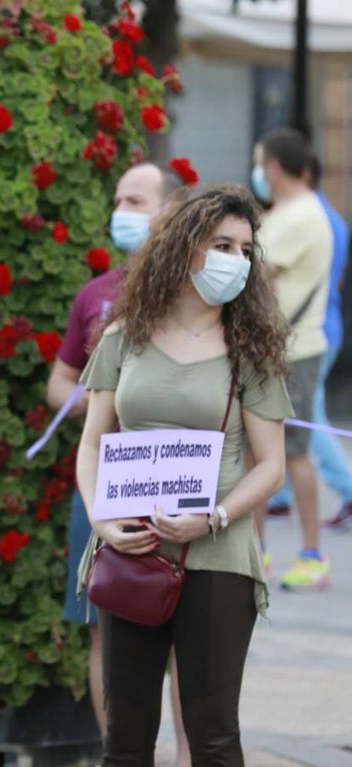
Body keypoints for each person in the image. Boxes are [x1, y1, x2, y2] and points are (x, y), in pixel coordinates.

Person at [76, 185, 292, 765]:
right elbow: (92, 442)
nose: (236, 260)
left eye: (245, 249)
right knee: (125, 736)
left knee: (213, 734)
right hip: (132, 549)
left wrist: (213, 517)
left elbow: (271, 465)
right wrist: (102, 520)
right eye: (222, 245)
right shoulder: (124, 337)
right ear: (184, 247)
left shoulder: (250, 350)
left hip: (217, 558)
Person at [47, 161, 191, 763]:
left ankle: (189, 755)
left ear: (170, 211)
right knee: (103, 626)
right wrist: (101, 402)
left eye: (135, 201)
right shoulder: (96, 295)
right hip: (105, 479)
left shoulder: (197, 296)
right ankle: (121, 754)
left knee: (187, 634)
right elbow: (59, 383)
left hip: (179, 479)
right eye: (119, 201)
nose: (122, 213)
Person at [251, 128, 333, 590]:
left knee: (292, 454)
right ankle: (257, 551)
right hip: (283, 349)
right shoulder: (291, 211)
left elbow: (254, 276)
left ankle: (311, 555)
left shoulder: (298, 216)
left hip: (291, 352)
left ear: (274, 167)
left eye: (260, 163)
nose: (258, 172)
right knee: (259, 453)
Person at [264, 154, 352, 529]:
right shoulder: (320, 217)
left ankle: (348, 491)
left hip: (311, 333)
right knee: (296, 421)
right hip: (318, 329)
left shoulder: (309, 218)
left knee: (307, 422)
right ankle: (280, 497)